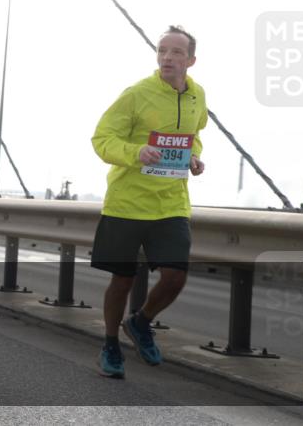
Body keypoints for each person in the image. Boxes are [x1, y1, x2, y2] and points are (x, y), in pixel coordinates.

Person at [90, 26, 208, 379]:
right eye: (162, 50)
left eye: (176, 52)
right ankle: (111, 344)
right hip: (127, 203)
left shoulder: (198, 95)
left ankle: (140, 322)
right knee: (122, 280)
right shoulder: (136, 94)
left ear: (191, 60)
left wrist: (194, 157)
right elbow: (102, 139)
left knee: (175, 277)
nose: (167, 57)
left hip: (171, 203)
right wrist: (136, 152)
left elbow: (194, 135)